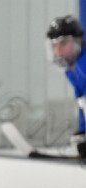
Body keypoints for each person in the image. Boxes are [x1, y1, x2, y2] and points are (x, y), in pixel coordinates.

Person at [46, 15, 86, 159]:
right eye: (54, 45)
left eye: (63, 44)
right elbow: (82, 101)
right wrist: (83, 132)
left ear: (78, 41)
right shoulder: (71, 68)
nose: (58, 50)